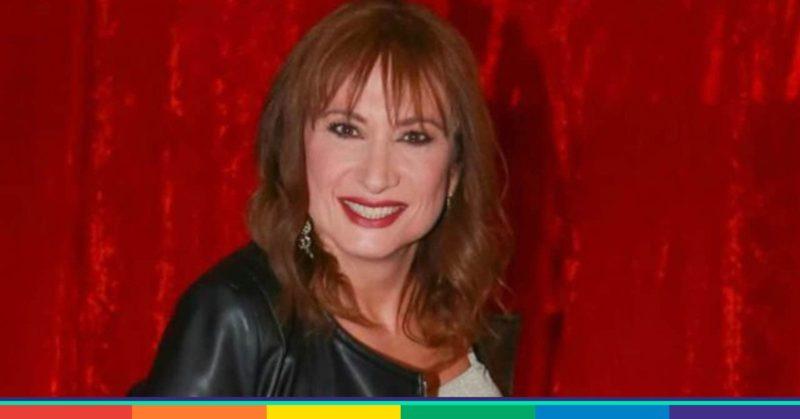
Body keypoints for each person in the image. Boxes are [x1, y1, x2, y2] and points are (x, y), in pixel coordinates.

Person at [129, 0, 519, 397]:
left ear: (454, 171)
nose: (376, 176)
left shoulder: (465, 314)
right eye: (346, 130)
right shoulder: (235, 318)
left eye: (414, 137)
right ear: (296, 148)